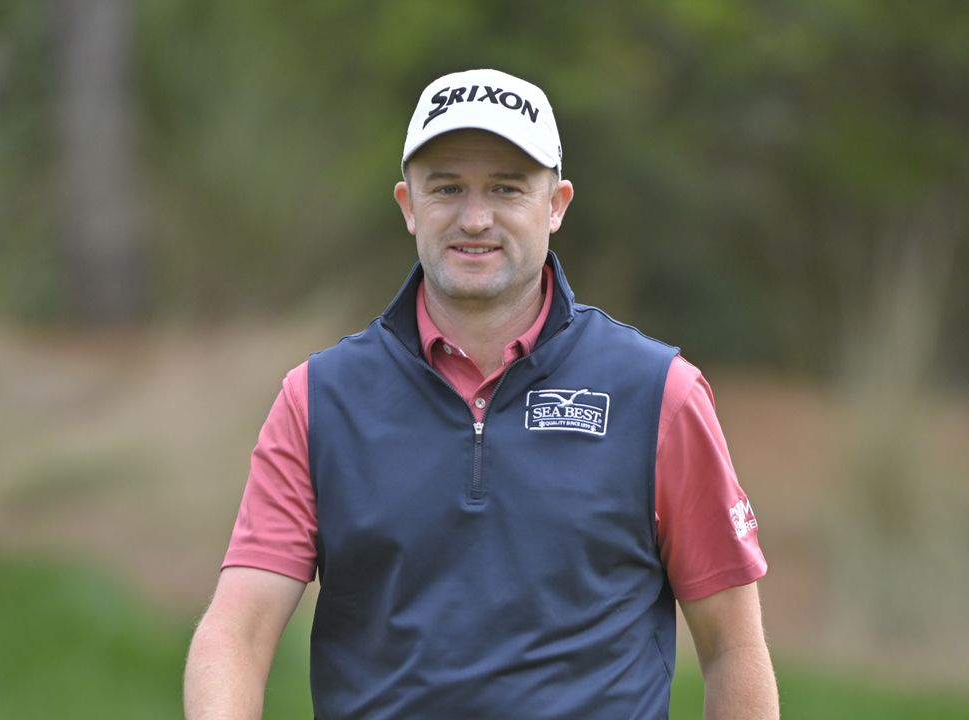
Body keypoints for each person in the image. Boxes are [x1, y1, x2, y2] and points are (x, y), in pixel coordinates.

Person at [184, 68, 778, 719]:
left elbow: (733, 649)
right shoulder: (319, 401)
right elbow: (236, 635)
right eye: (446, 188)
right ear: (409, 205)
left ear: (556, 204)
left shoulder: (657, 392)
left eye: (506, 188)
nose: (475, 217)